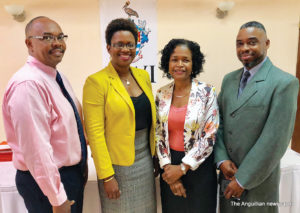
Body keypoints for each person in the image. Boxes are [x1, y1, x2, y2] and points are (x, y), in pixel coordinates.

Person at [2, 16, 87, 213]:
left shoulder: (55, 76)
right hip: (47, 184)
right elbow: (36, 150)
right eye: (47, 37)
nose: (57, 43)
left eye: (60, 37)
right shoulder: (28, 84)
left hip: (66, 177)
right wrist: (57, 199)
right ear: (29, 43)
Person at [214, 21, 299, 213]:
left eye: (252, 42)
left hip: (258, 181)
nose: (245, 48)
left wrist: (243, 178)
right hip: (227, 175)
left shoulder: (284, 83)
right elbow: (218, 122)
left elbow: (275, 139)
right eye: (239, 43)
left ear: (267, 43)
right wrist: (221, 159)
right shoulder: (229, 79)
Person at [82, 18, 156, 213]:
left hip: (145, 160)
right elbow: (95, 134)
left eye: (130, 45)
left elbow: (151, 122)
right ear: (108, 47)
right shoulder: (96, 82)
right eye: (119, 45)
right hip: (116, 168)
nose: (125, 49)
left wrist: (155, 156)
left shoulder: (143, 77)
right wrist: (107, 176)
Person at [155, 39, 219, 213]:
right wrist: (169, 170)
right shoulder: (162, 94)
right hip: (169, 166)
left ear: (194, 63)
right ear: (167, 63)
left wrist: (183, 168)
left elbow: (210, 135)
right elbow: (158, 134)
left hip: (199, 167)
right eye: (174, 59)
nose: (179, 64)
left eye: (186, 60)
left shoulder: (207, 92)